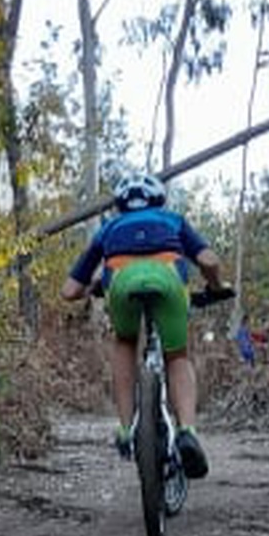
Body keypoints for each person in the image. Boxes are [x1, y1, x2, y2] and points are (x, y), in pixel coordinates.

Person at [60, 172, 228, 479]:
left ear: (121, 205)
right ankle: (187, 431)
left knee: (125, 342)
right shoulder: (173, 220)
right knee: (177, 355)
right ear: (158, 199)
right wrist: (216, 286)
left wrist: (94, 287)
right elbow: (209, 260)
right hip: (168, 281)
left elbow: (68, 291)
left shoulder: (108, 228)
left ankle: (126, 429)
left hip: (122, 284)